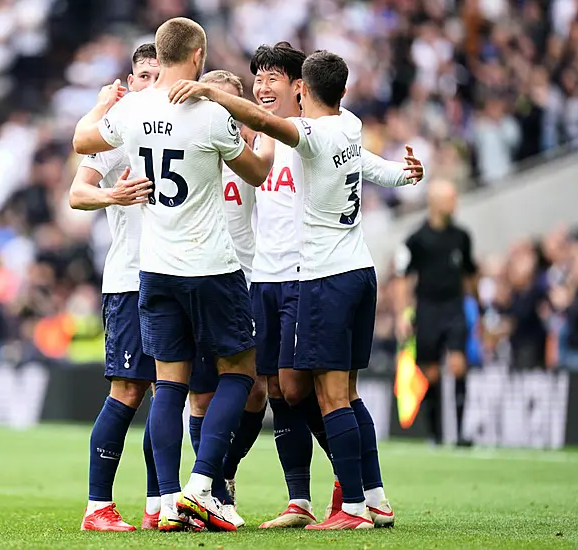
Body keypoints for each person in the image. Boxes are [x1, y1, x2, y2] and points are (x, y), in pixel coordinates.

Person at [169, 49, 422, 529]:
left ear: (300, 86)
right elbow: (365, 163)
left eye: (273, 79)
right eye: (257, 79)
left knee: (318, 391)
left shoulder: (302, 133)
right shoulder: (319, 127)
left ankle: (357, 494)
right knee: (286, 390)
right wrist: (403, 172)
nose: (263, 87)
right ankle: (316, 497)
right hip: (270, 277)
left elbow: (312, 144)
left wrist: (209, 92)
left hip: (311, 278)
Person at [73, 17, 275, 532]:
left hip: (155, 271)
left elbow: (80, 141)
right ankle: (203, 485)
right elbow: (258, 171)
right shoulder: (209, 114)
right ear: (198, 54)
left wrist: (102, 103)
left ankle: (164, 504)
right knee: (239, 371)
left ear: (157, 59)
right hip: (210, 266)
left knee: (168, 386)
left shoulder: (131, 110)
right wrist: (223, 106)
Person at [69, 43, 163, 532]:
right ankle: (97, 506)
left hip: (176, 276)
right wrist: (113, 193)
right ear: (130, 81)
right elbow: (76, 192)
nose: (149, 82)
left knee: (168, 392)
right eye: (141, 74)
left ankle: (157, 503)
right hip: (129, 280)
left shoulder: (182, 125)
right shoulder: (119, 131)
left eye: (156, 73)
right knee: (128, 390)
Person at [186, 69, 260, 530]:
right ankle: (210, 485)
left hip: (250, 281)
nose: (224, 114)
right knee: (201, 395)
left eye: (232, 106)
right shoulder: (196, 144)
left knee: (256, 394)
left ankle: (221, 472)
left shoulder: (254, 151)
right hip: (201, 276)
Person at [394, 179, 478, 447]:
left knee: (458, 364)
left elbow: (470, 274)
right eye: (450, 197)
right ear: (435, 202)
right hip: (428, 308)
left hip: (454, 307)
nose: (455, 203)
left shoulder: (461, 237)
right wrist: (403, 314)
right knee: (430, 372)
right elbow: (404, 278)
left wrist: (478, 309)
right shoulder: (417, 239)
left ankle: (462, 432)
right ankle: (436, 434)